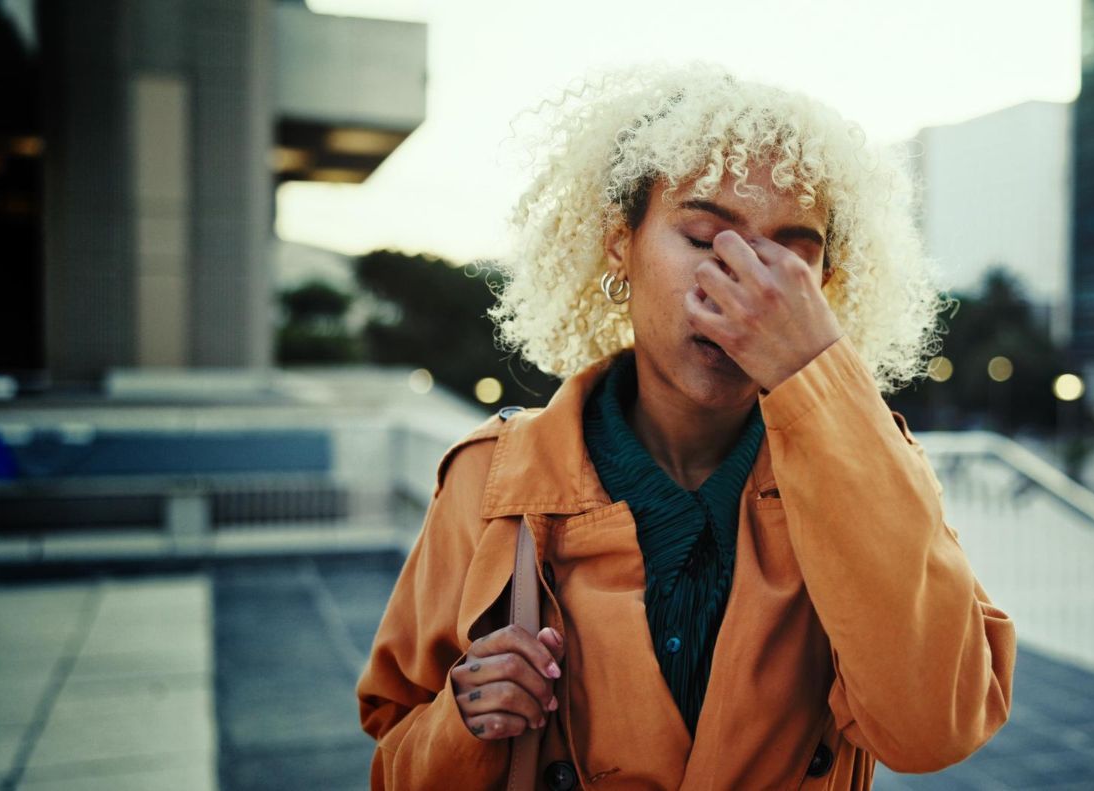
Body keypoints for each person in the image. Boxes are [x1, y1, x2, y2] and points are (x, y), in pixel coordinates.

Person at [357, 65, 1016, 790]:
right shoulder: (491, 481)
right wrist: (464, 718)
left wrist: (821, 376)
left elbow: (935, 727)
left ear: (825, 286)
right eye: (705, 236)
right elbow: (393, 751)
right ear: (621, 245)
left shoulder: (876, 470)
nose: (743, 283)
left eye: (791, 256)